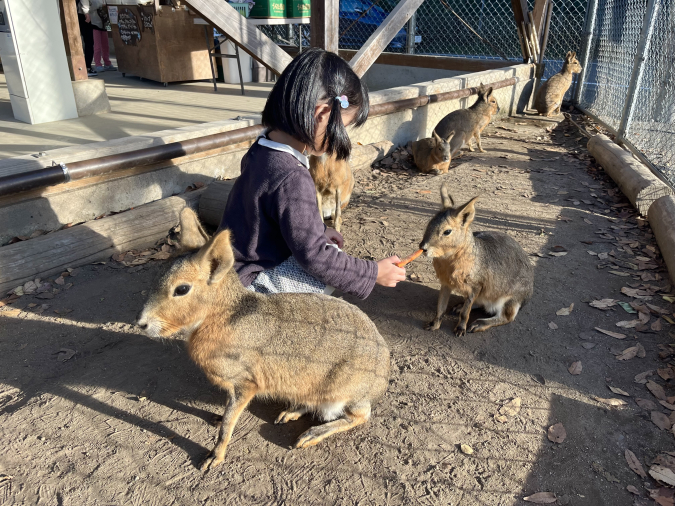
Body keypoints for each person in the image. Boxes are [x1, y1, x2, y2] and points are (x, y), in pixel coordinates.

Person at [220, 48, 406, 298]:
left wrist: (318, 228)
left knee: (328, 249)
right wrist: (371, 272)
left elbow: (277, 215)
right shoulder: (292, 176)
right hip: (251, 287)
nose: (344, 137)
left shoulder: (261, 149)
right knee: (332, 264)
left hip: (231, 271)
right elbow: (314, 256)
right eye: (345, 126)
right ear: (322, 115)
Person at [90, 0, 116, 72]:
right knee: (97, 46)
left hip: (104, 23)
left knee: (106, 45)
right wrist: (100, 6)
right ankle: (98, 64)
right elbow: (89, 8)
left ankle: (107, 63)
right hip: (95, 22)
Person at [77, 0, 96, 76]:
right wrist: (86, 13)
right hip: (83, 15)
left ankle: (84, 66)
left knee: (85, 41)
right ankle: (87, 67)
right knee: (89, 41)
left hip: (77, 13)